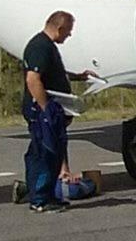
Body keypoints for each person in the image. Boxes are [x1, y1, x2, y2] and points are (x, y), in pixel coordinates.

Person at [20, 11, 95, 212]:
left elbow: (53, 73)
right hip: (41, 112)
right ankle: (39, 200)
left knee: (55, 153)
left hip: (51, 110)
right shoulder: (40, 46)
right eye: (68, 31)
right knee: (45, 153)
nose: (69, 35)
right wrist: (46, 108)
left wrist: (78, 77)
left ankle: (49, 194)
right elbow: (32, 79)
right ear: (59, 28)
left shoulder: (48, 47)